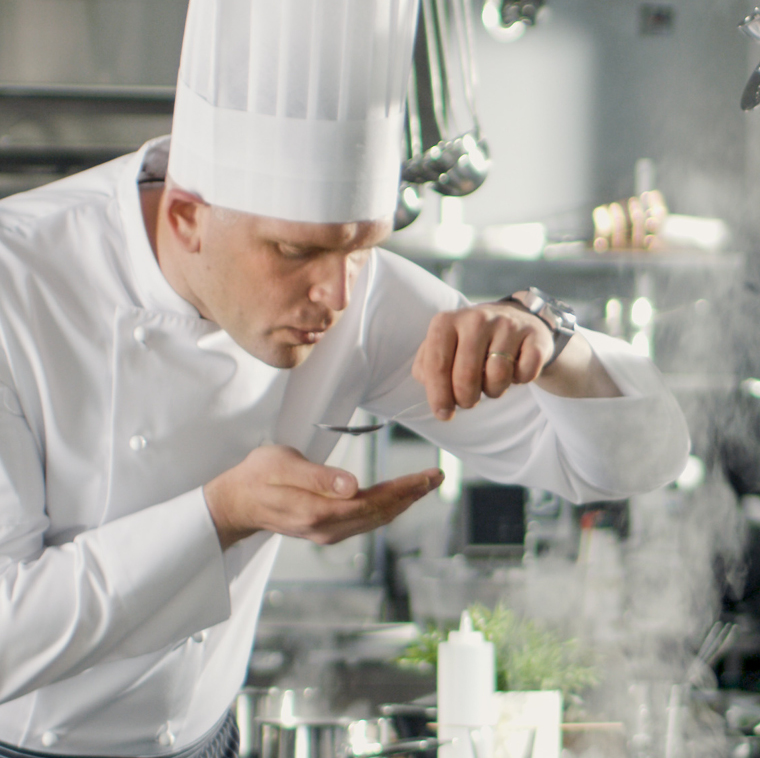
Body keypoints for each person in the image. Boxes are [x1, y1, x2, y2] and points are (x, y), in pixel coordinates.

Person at [0, 0, 689, 756]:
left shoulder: (358, 295)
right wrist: (225, 512)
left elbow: (634, 463)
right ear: (188, 217)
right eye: (295, 253)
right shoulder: (16, 283)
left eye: (362, 246)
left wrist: (549, 339)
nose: (336, 295)